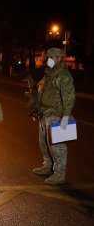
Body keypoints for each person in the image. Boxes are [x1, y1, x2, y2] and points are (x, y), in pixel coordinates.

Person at [32, 47, 75, 185]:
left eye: (51, 57)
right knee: (43, 142)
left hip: (56, 114)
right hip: (44, 113)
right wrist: (36, 111)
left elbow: (69, 97)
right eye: (47, 58)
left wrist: (65, 117)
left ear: (58, 58)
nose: (48, 60)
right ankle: (48, 166)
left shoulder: (64, 75)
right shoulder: (48, 74)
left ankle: (59, 173)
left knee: (57, 146)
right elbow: (41, 92)